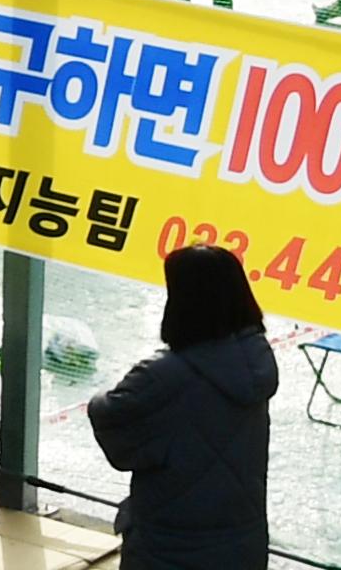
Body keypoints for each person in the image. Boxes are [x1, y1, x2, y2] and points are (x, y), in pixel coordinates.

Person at [84, 243, 274, 570]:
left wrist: (99, 398)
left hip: (171, 547)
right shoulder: (254, 361)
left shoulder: (164, 377)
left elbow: (114, 423)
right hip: (243, 543)